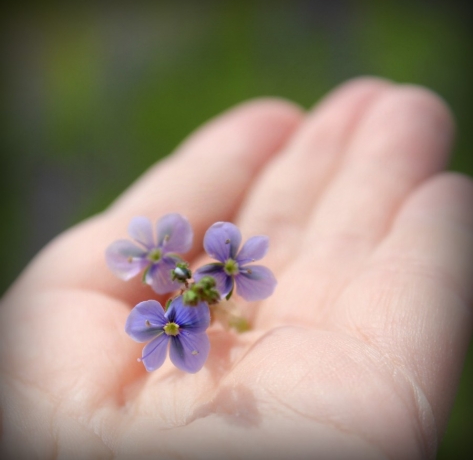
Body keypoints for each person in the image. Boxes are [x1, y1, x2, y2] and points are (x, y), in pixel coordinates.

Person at [1, 77, 472, 458]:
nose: (163, 268)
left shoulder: (195, 295)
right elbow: (192, 311)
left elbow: (196, 304)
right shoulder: (188, 303)